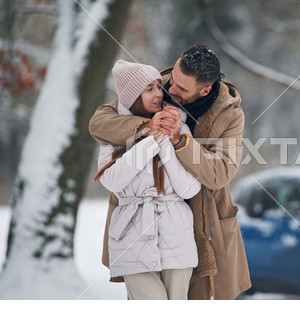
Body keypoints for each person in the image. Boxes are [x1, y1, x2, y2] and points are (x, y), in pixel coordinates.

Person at [89, 45, 251, 300]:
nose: (169, 90)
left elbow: (220, 173)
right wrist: (147, 126)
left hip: (199, 219)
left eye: (181, 88)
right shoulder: (154, 86)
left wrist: (179, 142)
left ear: (205, 89)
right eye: (171, 79)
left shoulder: (229, 114)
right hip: (139, 220)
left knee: (194, 298)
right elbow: (101, 122)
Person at [94, 59, 201, 300]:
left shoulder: (179, 127)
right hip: (132, 234)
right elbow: (112, 180)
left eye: (158, 86)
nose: (158, 93)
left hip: (177, 234)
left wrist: (167, 141)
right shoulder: (114, 132)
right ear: (132, 97)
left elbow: (189, 189)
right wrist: (151, 140)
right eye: (149, 88)